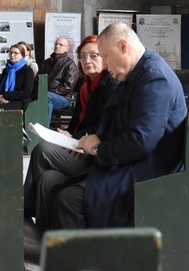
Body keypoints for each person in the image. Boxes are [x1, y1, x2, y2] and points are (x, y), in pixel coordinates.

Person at [48, 23, 186, 229]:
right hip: (131, 160)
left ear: (123, 46)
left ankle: (94, 260)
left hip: (150, 169)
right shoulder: (137, 73)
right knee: (55, 188)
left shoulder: (154, 77)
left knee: (68, 199)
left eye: (105, 56)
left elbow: (142, 140)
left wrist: (98, 148)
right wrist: (89, 139)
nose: (104, 64)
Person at [23, 35, 119, 235]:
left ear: (106, 58)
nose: (87, 61)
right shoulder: (86, 86)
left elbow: (101, 127)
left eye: (94, 56)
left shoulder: (109, 85)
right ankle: (44, 232)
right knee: (47, 178)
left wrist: (76, 137)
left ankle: (26, 211)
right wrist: (68, 133)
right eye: (83, 57)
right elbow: (78, 123)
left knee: (42, 151)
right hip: (80, 142)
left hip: (94, 154)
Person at [41, 37, 78, 122]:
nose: (57, 46)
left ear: (67, 48)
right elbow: (39, 78)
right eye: (56, 44)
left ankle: (44, 128)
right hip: (46, 95)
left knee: (46, 97)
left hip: (63, 97)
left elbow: (68, 86)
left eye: (60, 44)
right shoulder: (47, 62)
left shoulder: (70, 65)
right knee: (46, 102)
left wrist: (50, 91)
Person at [0, 43, 35, 111]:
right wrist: (1, 98)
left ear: (22, 55)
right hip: (4, 99)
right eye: (11, 52)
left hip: (20, 101)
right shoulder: (6, 70)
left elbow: (26, 92)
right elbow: (0, 88)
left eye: (16, 53)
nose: (12, 55)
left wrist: (6, 96)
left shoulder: (27, 71)